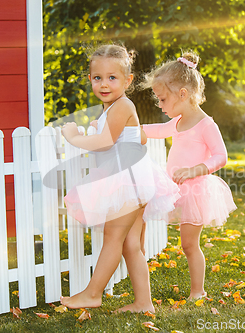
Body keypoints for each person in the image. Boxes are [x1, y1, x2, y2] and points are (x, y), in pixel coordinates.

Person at [60, 44, 179, 313]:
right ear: (90, 79)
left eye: (112, 78)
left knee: (113, 236)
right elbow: (128, 136)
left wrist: (73, 136)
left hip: (129, 182)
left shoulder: (123, 104)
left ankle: (92, 293)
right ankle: (143, 302)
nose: (104, 84)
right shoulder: (112, 108)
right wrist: (99, 124)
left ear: (127, 81)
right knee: (131, 245)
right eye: (97, 77)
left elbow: (105, 142)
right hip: (132, 181)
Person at [141, 51, 237, 300]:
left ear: (182, 94)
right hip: (176, 188)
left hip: (196, 191)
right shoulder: (179, 121)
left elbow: (220, 156)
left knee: (189, 244)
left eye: (162, 100)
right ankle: (197, 289)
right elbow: (161, 130)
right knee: (186, 243)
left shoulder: (206, 125)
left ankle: (198, 291)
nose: (160, 105)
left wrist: (195, 170)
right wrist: (135, 129)